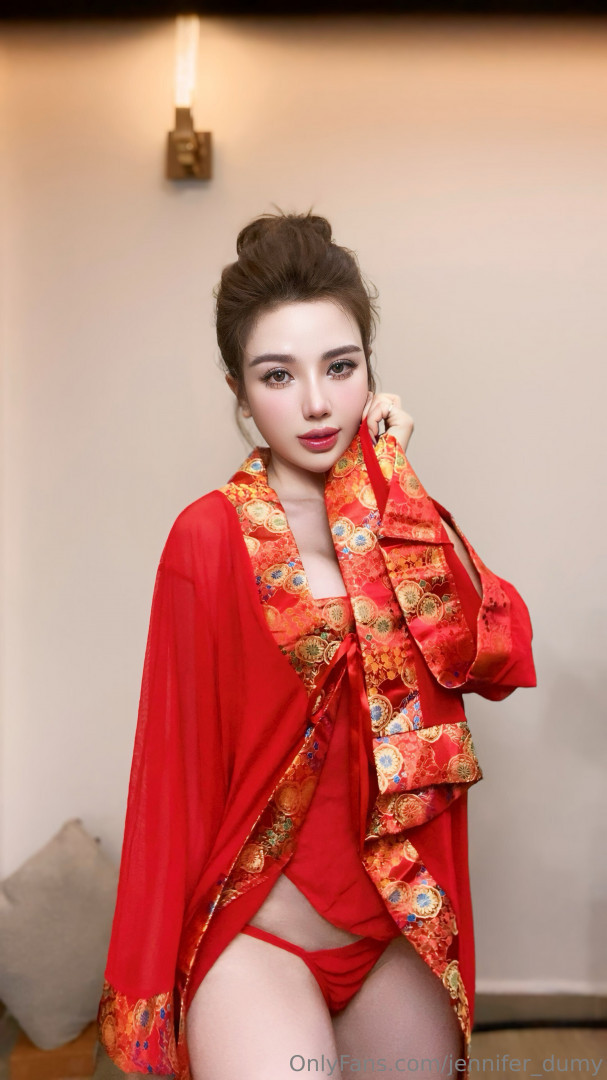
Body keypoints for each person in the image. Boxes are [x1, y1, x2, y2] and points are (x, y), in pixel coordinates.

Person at [97, 210, 537, 1080]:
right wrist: (148, 977)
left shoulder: (399, 519)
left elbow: (493, 658)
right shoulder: (206, 538)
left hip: (396, 927)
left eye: (339, 367)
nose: (314, 403)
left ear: (370, 372)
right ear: (238, 391)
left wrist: (397, 493)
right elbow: (173, 768)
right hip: (261, 937)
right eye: (277, 375)